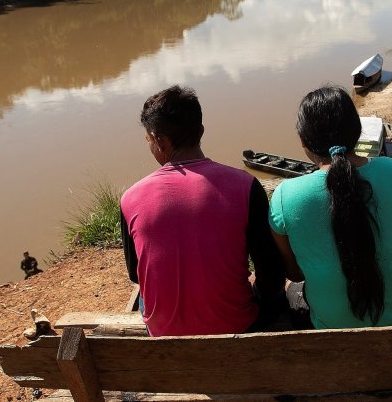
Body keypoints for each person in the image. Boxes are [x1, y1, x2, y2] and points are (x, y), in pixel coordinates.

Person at [120, 85, 285, 336]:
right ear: (201, 130)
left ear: (160, 141)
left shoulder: (131, 198)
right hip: (238, 323)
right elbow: (271, 271)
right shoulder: (245, 186)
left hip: (164, 332)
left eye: (149, 140)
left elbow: (136, 275)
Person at [269, 85, 392, 329]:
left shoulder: (286, 196)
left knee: (294, 289)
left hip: (331, 326)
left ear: (303, 142)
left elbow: (295, 273)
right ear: (358, 132)